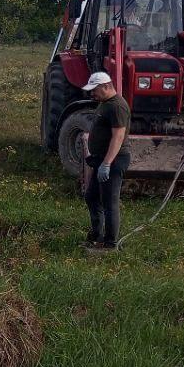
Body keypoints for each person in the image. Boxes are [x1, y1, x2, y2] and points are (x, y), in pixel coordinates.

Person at [82, 70, 130, 250]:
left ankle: (110, 244)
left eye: (94, 90)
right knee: (92, 196)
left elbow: (118, 137)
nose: (91, 93)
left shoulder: (117, 106)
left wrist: (107, 163)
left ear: (106, 86)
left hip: (114, 161)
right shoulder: (105, 103)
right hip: (101, 159)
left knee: (109, 202)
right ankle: (97, 234)